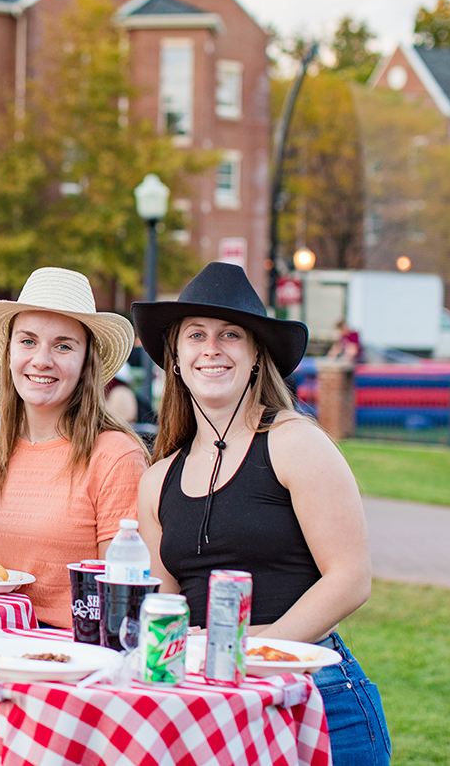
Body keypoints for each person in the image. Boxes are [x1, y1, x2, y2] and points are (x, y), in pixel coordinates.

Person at [131, 262, 390, 765]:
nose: (212, 348)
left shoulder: (295, 443)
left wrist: (252, 648)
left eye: (231, 335)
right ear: (177, 360)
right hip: (210, 703)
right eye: (196, 335)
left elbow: (350, 579)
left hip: (318, 696)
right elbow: (165, 608)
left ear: (254, 356)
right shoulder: (155, 480)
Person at [0, 267, 149, 629]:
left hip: (69, 658)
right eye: (28, 341)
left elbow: (117, 606)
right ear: (9, 351)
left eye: (63, 345)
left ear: (85, 363)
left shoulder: (115, 456)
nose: (42, 359)